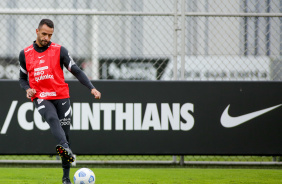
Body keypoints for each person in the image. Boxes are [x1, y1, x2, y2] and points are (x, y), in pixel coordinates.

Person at [19, 19, 101, 184]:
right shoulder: (25, 54)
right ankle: (65, 147)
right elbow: (22, 79)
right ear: (37, 31)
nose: (46, 38)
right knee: (51, 118)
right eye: (44, 34)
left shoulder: (60, 50)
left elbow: (76, 70)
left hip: (61, 96)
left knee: (66, 134)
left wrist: (91, 87)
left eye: (50, 35)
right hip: (41, 96)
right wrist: (27, 89)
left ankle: (65, 178)